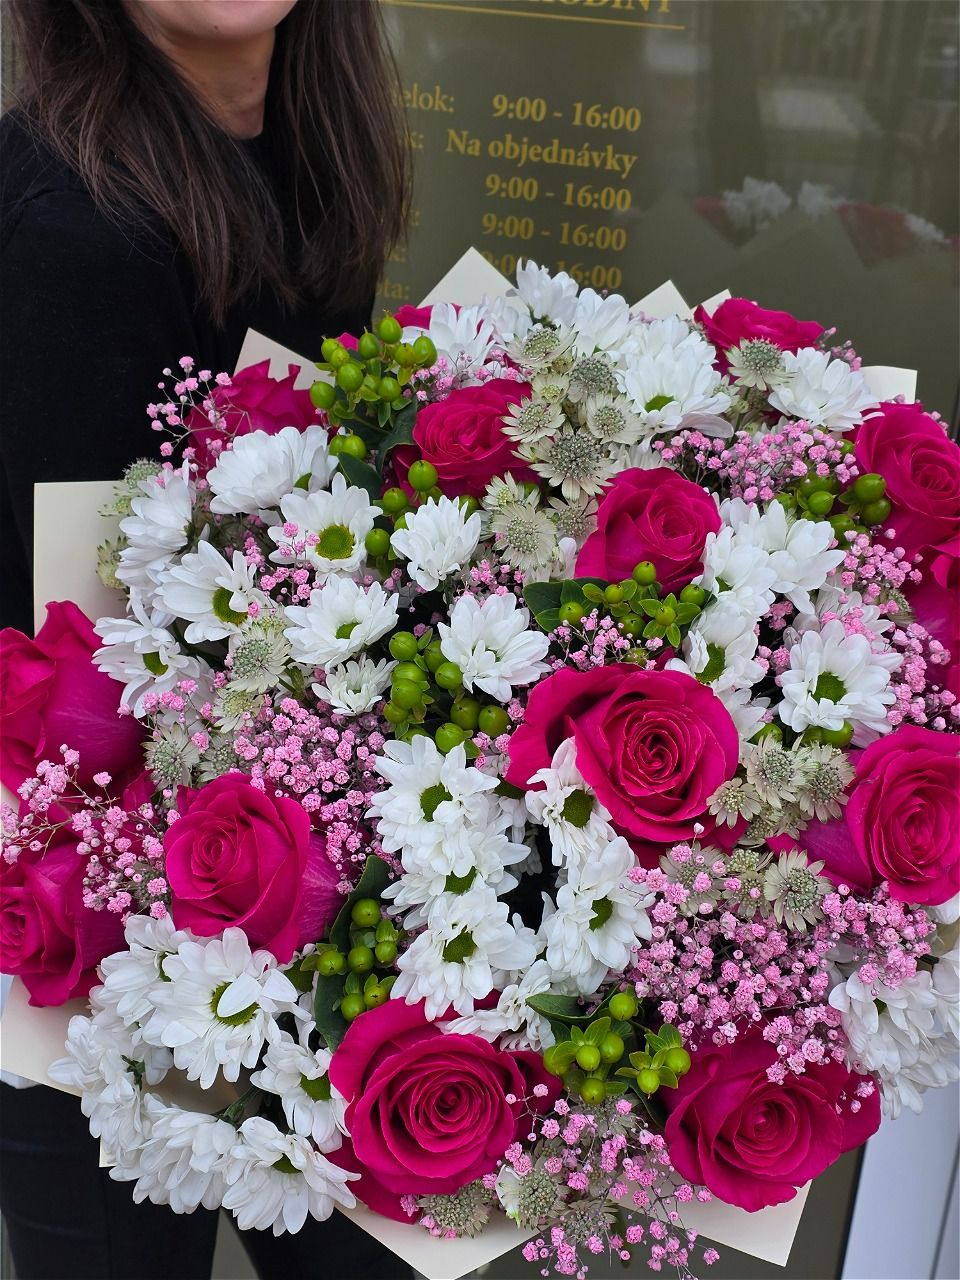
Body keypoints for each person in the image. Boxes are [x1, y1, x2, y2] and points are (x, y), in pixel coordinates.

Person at [0, 2, 409, 1276]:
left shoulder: (307, 162)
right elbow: (78, 656)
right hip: (86, 930)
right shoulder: (71, 226)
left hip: (261, 890)